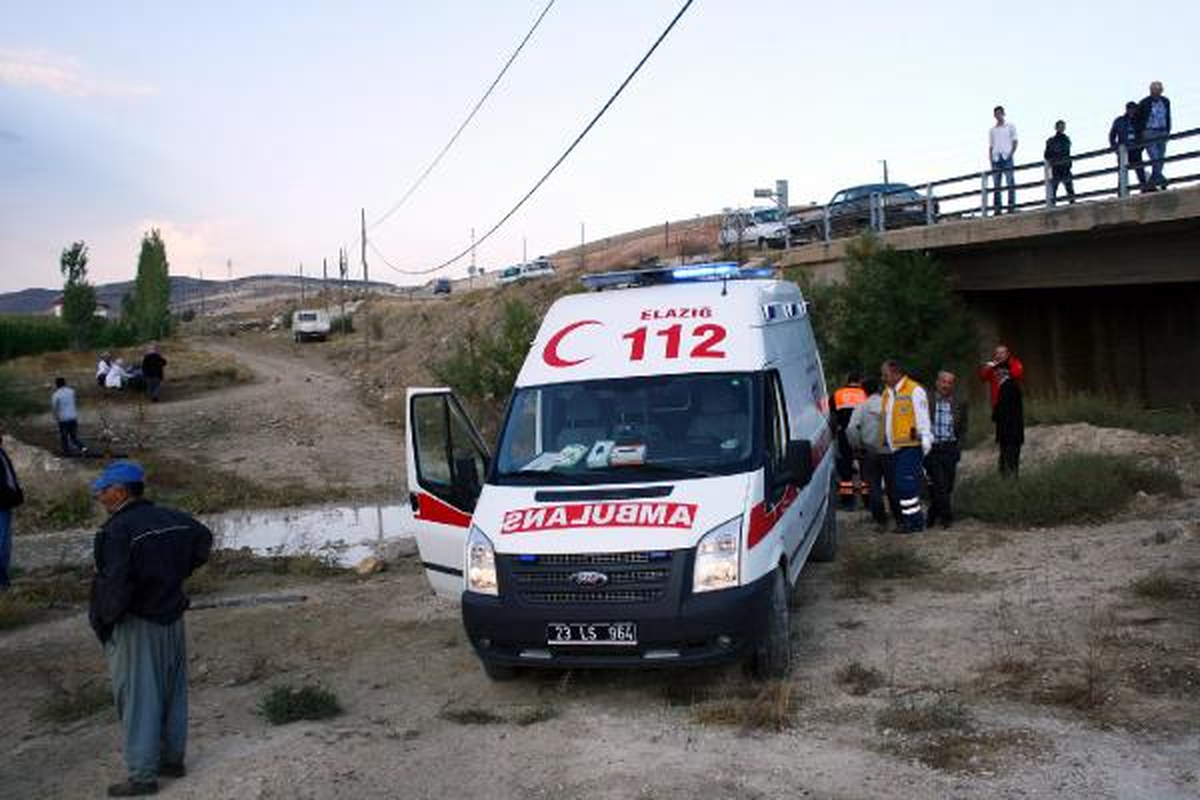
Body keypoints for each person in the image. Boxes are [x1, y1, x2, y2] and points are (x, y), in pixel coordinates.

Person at [89, 461, 213, 797]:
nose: (99, 494)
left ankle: (143, 777)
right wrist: (174, 576)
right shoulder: (171, 518)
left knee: (139, 699)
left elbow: (114, 584)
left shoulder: (116, 530)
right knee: (173, 692)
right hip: (171, 618)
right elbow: (203, 539)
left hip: (136, 623)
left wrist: (105, 621)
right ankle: (172, 760)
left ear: (121, 491)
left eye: (104, 489)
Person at [879, 359, 931, 533]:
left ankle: (915, 522)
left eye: (885, 374)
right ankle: (911, 521)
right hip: (894, 448)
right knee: (899, 486)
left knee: (905, 484)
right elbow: (886, 421)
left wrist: (925, 442)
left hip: (911, 446)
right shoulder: (887, 393)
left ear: (896, 373)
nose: (883, 378)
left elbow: (923, 417)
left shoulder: (914, 390)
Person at [925, 370, 969, 529]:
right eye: (943, 381)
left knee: (948, 486)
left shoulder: (960, 402)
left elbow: (963, 426)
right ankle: (947, 519)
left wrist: (960, 446)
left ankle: (931, 514)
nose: (946, 385)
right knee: (940, 484)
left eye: (950, 382)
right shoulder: (927, 400)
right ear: (937, 382)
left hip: (951, 448)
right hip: (933, 448)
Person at [846, 378, 888, 528]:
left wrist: (857, 446)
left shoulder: (861, 407)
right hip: (890, 451)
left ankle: (881, 519)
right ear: (879, 388)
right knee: (893, 485)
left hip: (870, 451)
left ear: (864, 391)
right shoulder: (889, 404)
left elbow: (851, 429)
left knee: (874, 486)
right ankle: (900, 517)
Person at [831, 372, 867, 510]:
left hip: (844, 434)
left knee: (845, 467)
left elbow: (832, 415)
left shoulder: (838, 394)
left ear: (848, 380)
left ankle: (848, 502)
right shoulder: (865, 393)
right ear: (859, 380)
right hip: (862, 434)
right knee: (865, 467)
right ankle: (868, 501)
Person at [1137, 81, 1171, 191]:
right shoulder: (1144, 102)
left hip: (1162, 131)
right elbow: (1138, 118)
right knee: (1155, 157)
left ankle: (1153, 181)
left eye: (1159, 90)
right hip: (1149, 132)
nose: (1157, 92)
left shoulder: (1165, 101)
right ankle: (1160, 179)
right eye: (1154, 90)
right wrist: (1141, 132)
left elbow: (1167, 115)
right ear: (1151, 91)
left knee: (1161, 157)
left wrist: (1167, 130)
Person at [0, 430, 24, 591]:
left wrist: (16, 494)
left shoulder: (1, 453)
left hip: (5, 505)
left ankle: (4, 583)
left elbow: (9, 478)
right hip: (1, 506)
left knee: (4, 547)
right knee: (1, 546)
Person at [1110, 101, 1147, 192]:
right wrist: (1116, 149)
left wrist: (1140, 147)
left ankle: (1144, 189)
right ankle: (1122, 192)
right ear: (1127, 110)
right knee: (1122, 173)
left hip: (1136, 149)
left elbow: (1143, 135)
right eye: (1130, 109)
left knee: (1140, 171)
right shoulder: (1119, 121)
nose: (1132, 111)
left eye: (1134, 109)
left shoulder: (1138, 121)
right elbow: (1112, 136)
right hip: (1124, 150)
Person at [993, 369, 1025, 477]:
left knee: (1007, 464)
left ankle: (1008, 488)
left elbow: (1002, 410)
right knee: (1013, 463)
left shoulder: (1006, 387)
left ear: (1000, 375)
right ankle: (1012, 485)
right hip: (1015, 432)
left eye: (996, 375)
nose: (995, 377)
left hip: (1008, 433)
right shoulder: (1013, 385)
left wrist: (995, 414)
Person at [988, 105, 1019, 214]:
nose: (998, 115)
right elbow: (991, 145)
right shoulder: (992, 130)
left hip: (1007, 156)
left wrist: (1011, 153)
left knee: (1010, 182)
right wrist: (990, 158)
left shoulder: (1010, 126)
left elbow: (1015, 141)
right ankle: (997, 208)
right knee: (996, 185)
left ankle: (1011, 206)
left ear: (1003, 113)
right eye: (996, 113)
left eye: (999, 113)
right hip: (996, 158)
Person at [977, 343, 1024, 409]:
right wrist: (987, 368)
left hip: (1012, 400)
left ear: (1007, 354)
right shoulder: (991, 366)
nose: (999, 355)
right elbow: (983, 377)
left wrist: (1003, 367)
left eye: (1002, 353)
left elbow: (1017, 374)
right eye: (997, 353)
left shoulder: (1014, 363)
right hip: (997, 401)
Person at [51, 376, 87, 456]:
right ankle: (83, 448)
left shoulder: (56, 395)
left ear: (56, 385)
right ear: (65, 383)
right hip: (73, 417)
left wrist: (55, 417)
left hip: (63, 419)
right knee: (73, 437)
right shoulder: (71, 391)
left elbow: (54, 407)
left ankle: (66, 452)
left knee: (64, 437)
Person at [1044, 120, 1075, 205]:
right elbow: (1046, 155)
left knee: (1069, 189)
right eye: (1060, 126)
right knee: (1054, 189)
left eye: (1063, 126)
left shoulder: (1065, 139)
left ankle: (1071, 204)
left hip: (1064, 167)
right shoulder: (1052, 141)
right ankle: (1052, 205)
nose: (1061, 128)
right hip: (1057, 168)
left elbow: (1065, 151)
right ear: (1056, 128)